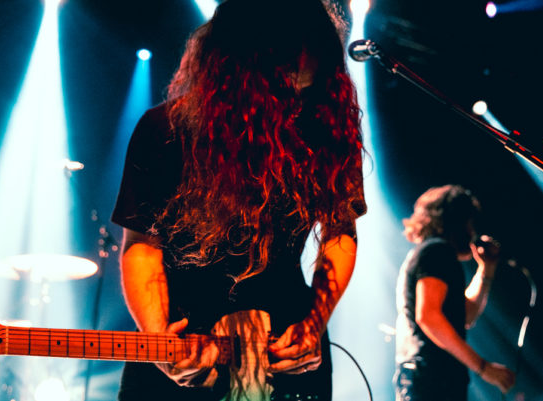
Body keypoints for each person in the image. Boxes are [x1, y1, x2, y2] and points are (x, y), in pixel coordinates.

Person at [110, 0, 366, 399]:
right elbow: (142, 245)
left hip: (286, 348)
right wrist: (158, 338)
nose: (293, 100)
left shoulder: (326, 128)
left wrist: (314, 323)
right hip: (186, 342)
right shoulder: (165, 129)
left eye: (307, 86)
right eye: (281, 82)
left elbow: (340, 232)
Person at [394, 185, 516, 401]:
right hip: (432, 381)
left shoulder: (429, 253)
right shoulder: (437, 251)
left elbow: (465, 315)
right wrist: (483, 367)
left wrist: (486, 269)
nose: (472, 232)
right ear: (457, 222)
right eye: (469, 223)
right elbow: (428, 317)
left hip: (429, 380)